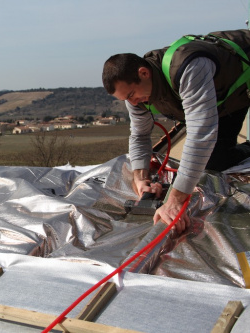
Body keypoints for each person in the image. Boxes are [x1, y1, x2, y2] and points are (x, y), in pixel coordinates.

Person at [102, 29, 250, 233]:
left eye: (132, 95)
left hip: (241, 78)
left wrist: (174, 201)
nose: (132, 103)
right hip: (225, 101)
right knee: (214, 161)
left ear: (143, 73)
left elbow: (200, 134)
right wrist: (140, 177)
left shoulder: (187, 67)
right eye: (125, 99)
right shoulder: (136, 97)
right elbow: (140, 135)